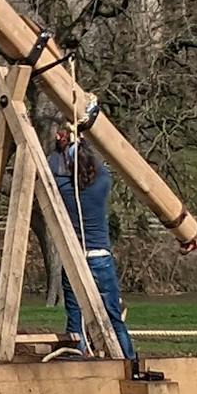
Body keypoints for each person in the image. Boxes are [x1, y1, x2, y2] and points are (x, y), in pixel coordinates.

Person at [48, 115, 138, 356]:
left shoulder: (60, 185)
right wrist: (80, 142)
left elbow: (50, 165)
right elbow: (95, 167)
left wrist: (64, 145)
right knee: (113, 318)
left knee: (76, 322)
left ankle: (78, 361)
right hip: (100, 257)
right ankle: (130, 362)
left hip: (74, 258)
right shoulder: (103, 182)